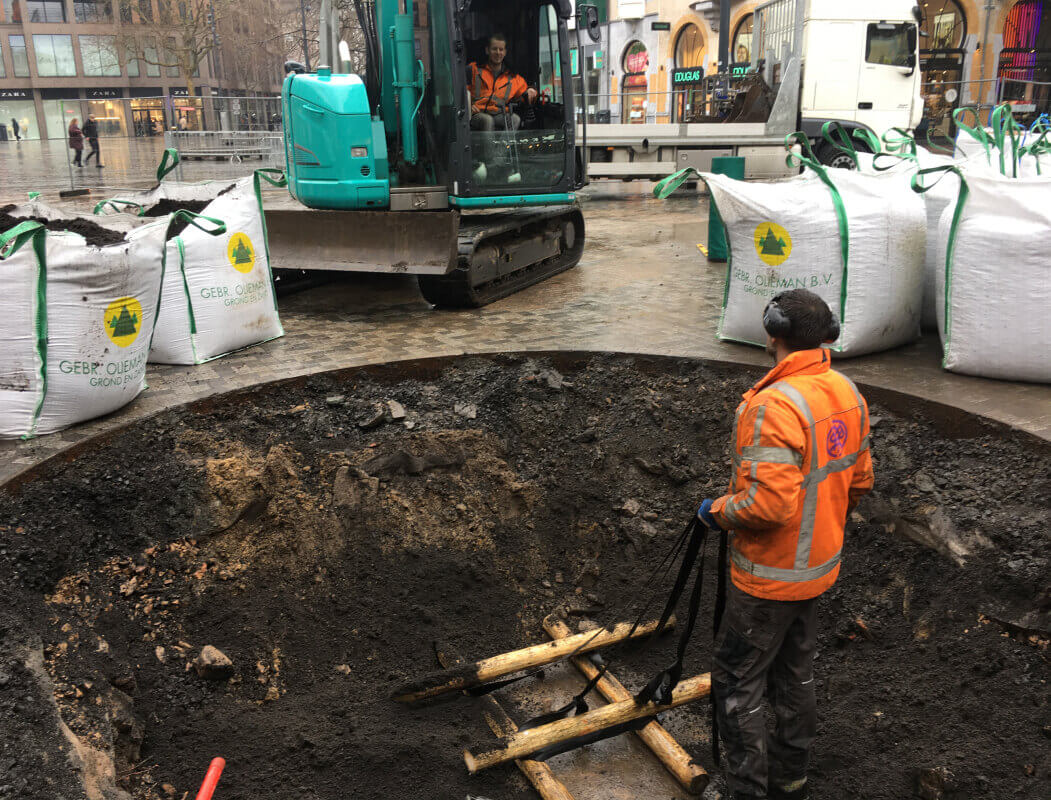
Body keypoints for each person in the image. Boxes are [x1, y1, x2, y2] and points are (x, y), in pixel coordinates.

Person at [696, 289, 874, 800]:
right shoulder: (844, 391)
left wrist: (715, 513)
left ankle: (747, 791)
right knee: (794, 674)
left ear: (771, 335)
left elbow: (767, 507)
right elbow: (858, 481)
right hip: (817, 570)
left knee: (737, 682)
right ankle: (790, 778)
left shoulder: (773, 406)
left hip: (767, 578)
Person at [468, 33, 537, 135]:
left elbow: (525, 91)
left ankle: (503, 150)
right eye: (494, 49)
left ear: (505, 52)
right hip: (476, 114)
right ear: (487, 50)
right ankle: (489, 151)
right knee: (487, 120)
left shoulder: (511, 77)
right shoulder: (473, 69)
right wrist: (468, 105)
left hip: (498, 113)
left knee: (515, 119)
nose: (498, 52)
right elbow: (460, 91)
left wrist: (531, 90)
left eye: (501, 49)